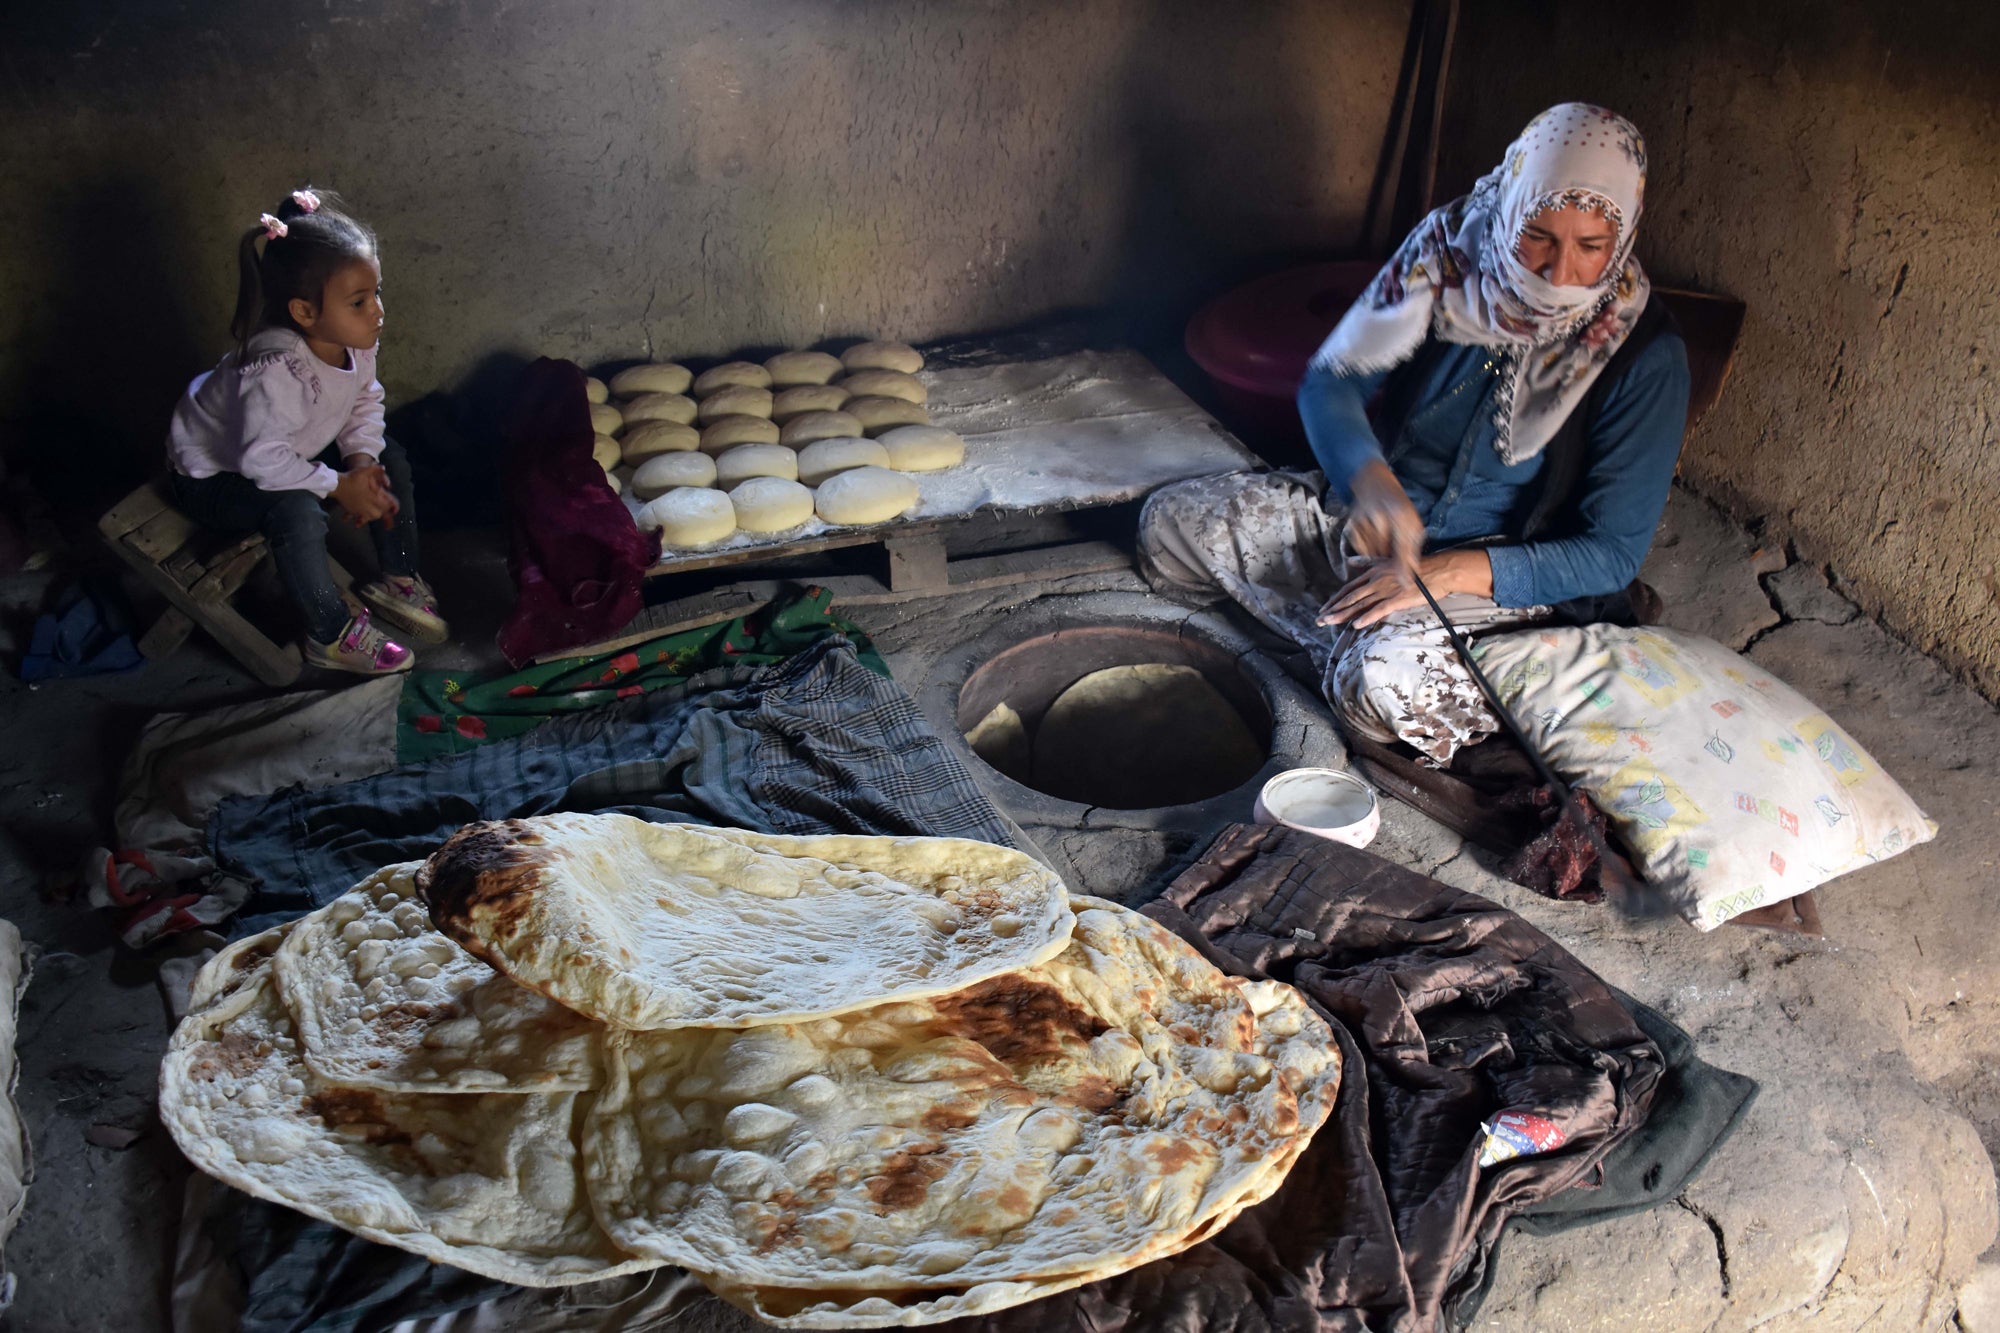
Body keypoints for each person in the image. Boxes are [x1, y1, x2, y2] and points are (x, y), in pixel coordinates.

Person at [1140, 103, 1689, 764]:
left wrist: (1446, 571)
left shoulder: (1643, 355)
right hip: (1376, 524)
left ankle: (1350, 649)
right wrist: (1366, 478)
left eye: (1591, 247)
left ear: (1625, 231)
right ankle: (1340, 641)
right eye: (1536, 235)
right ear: (1510, 202)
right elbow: (1331, 379)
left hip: (1501, 580)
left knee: (1378, 686)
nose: (1558, 272)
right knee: (1167, 527)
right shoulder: (1449, 252)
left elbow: (1611, 552)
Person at [165, 187, 446, 675]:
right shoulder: (277, 373)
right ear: (304, 312)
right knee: (295, 511)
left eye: (376, 292)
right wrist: (338, 486)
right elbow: (260, 462)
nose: (377, 310)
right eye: (358, 302)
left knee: (388, 457)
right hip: (216, 477)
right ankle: (330, 633)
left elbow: (363, 399)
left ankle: (398, 576)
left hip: (286, 447)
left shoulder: (353, 341)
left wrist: (360, 465)